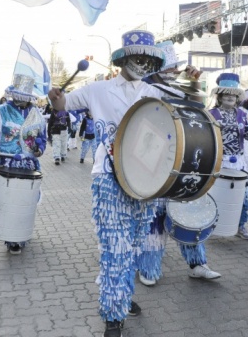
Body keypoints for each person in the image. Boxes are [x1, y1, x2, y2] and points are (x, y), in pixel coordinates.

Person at [48, 30, 168, 337]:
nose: (142, 63)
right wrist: (56, 97)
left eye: (148, 58)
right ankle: (113, 315)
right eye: (137, 57)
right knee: (116, 247)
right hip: (108, 175)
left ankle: (124, 296)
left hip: (145, 180)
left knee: (133, 244)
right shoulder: (97, 89)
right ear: (124, 58)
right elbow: (63, 105)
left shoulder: (157, 94)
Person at [137, 41, 220, 287]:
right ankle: (149, 268)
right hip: (152, 161)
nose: (174, 71)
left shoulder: (180, 85)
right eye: (169, 67)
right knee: (154, 218)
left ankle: (198, 264)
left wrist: (193, 84)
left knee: (190, 213)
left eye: (176, 67)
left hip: (182, 160)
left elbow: (198, 109)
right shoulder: (143, 88)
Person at [0, 75, 47, 255]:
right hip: (6, 162)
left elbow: (42, 138)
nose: (21, 100)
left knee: (25, 201)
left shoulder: (36, 114)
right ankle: (11, 238)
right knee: (9, 200)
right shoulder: (1, 111)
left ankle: (21, 233)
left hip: (28, 164)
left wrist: (39, 149)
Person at [208, 73, 248, 241]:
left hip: (238, 160)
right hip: (218, 159)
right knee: (214, 194)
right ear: (219, 97)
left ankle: (240, 225)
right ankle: (209, 225)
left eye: (233, 94)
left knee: (243, 195)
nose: (230, 97)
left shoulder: (243, 115)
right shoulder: (211, 114)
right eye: (226, 94)